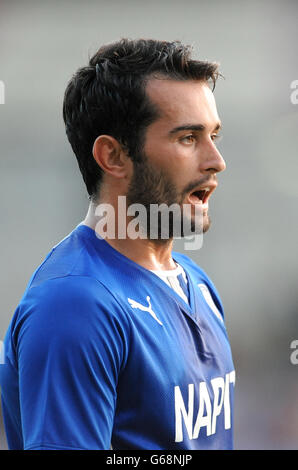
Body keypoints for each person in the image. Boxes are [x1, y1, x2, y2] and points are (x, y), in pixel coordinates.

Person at [0, 39, 235, 450]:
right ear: (113, 156)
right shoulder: (75, 305)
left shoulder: (196, 283)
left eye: (213, 135)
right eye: (187, 138)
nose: (216, 160)